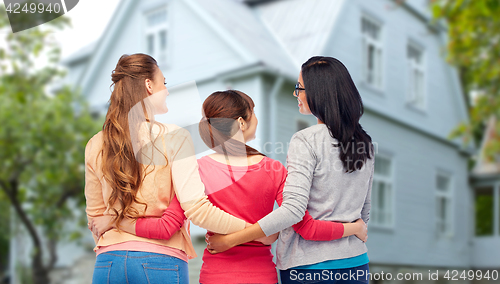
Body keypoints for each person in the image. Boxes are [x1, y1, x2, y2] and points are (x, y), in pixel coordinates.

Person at [91, 89, 368, 283]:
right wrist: (353, 227)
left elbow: (165, 226)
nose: (256, 119)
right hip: (262, 275)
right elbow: (295, 226)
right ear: (240, 122)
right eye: (254, 113)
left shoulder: (197, 170)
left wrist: (117, 222)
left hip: (215, 275)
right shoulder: (274, 169)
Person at [207, 56, 375, 284]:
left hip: (309, 267)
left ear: (318, 92)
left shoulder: (305, 140)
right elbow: (364, 213)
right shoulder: (365, 143)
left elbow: (293, 211)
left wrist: (232, 239)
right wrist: (353, 228)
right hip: (356, 263)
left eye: (300, 88)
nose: (296, 94)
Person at [84, 53, 250, 284]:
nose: (167, 91)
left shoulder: (96, 143)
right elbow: (197, 209)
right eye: (164, 83)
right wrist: (252, 229)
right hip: (159, 260)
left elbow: (95, 217)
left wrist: (118, 236)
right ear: (149, 85)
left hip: (108, 263)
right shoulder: (175, 137)